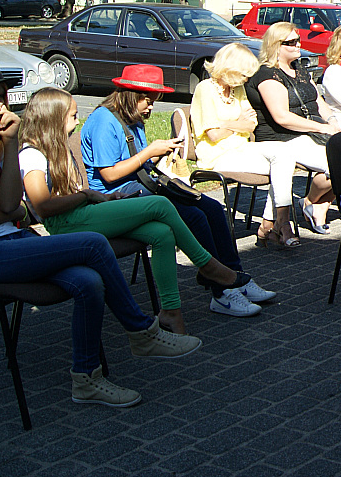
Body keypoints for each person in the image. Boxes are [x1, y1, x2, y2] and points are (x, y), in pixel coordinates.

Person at [0, 56, 201, 409]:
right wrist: (7, 213)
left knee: (89, 282)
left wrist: (11, 145)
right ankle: (141, 331)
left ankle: (86, 379)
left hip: (12, 242)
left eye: (0, 95)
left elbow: (14, 203)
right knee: (91, 244)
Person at [20, 86, 268, 332]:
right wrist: (89, 194)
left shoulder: (56, 147)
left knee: (163, 232)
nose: (78, 121)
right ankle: (209, 267)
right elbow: (45, 207)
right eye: (73, 116)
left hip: (87, 209)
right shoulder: (33, 155)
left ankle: (171, 310)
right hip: (71, 221)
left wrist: (157, 157)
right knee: (163, 205)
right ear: (52, 118)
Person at [81, 63, 272, 314]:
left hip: (140, 184)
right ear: (131, 96)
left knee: (213, 208)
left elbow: (138, 162)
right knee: (194, 216)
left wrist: (162, 155)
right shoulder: (104, 121)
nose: (152, 107)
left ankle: (235, 275)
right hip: (115, 196)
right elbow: (109, 174)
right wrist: (150, 151)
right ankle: (221, 290)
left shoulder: (132, 117)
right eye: (148, 101)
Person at [190, 42, 298, 248]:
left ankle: (271, 222)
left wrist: (229, 124)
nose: (246, 79)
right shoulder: (205, 89)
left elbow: (251, 123)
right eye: (243, 74)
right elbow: (213, 135)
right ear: (230, 69)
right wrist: (237, 123)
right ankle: (278, 224)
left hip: (240, 148)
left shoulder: (236, 89)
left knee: (285, 154)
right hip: (217, 155)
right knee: (281, 169)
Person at [246, 22, 337, 234]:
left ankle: (315, 204)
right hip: (283, 138)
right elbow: (282, 117)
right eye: (291, 42)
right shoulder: (267, 74)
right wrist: (322, 129)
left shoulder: (300, 70)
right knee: (339, 165)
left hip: (311, 132)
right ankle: (312, 203)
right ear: (275, 46)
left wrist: (332, 121)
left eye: (298, 40)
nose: (298, 45)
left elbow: (318, 101)